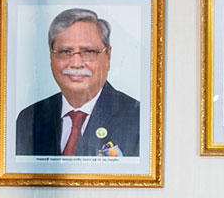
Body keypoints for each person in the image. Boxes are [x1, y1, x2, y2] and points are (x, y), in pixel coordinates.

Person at [16, 8, 140, 157]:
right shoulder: (29, 118)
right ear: (51, 58)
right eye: (64, 52)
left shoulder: (138, 118)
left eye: (89, 52)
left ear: (108, 56)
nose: (76, 63)